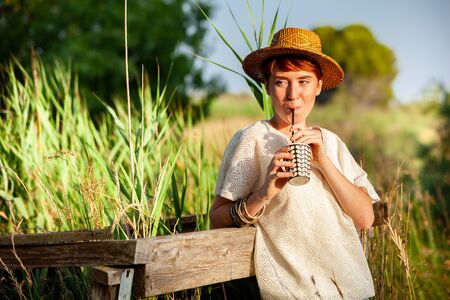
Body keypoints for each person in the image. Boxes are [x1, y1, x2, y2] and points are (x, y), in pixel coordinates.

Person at [210, 28, 380, 299]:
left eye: (304, 81)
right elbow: (217, 218)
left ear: (319, 86)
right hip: (292, 292)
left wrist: (323, 162)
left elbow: (365, 218)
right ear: (266, 86)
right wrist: (265, 192)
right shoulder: (251, 138)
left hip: (352, 290)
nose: (293, 95)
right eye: (281, 82)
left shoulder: (330, 142)